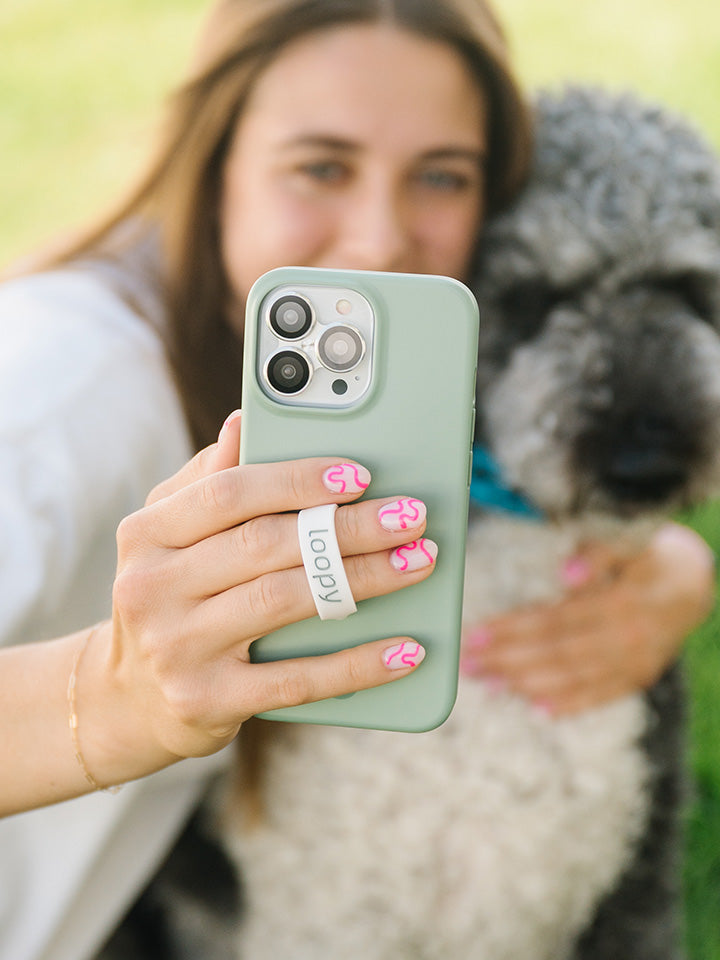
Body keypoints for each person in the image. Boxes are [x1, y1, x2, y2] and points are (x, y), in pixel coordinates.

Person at [0, 0, 714, 957]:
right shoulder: (59, 394)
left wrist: (658, 550)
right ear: (214, 167)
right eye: (320, 166)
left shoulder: (358, 393)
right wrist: (116, 688)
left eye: (442, 177)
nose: (379, 240)